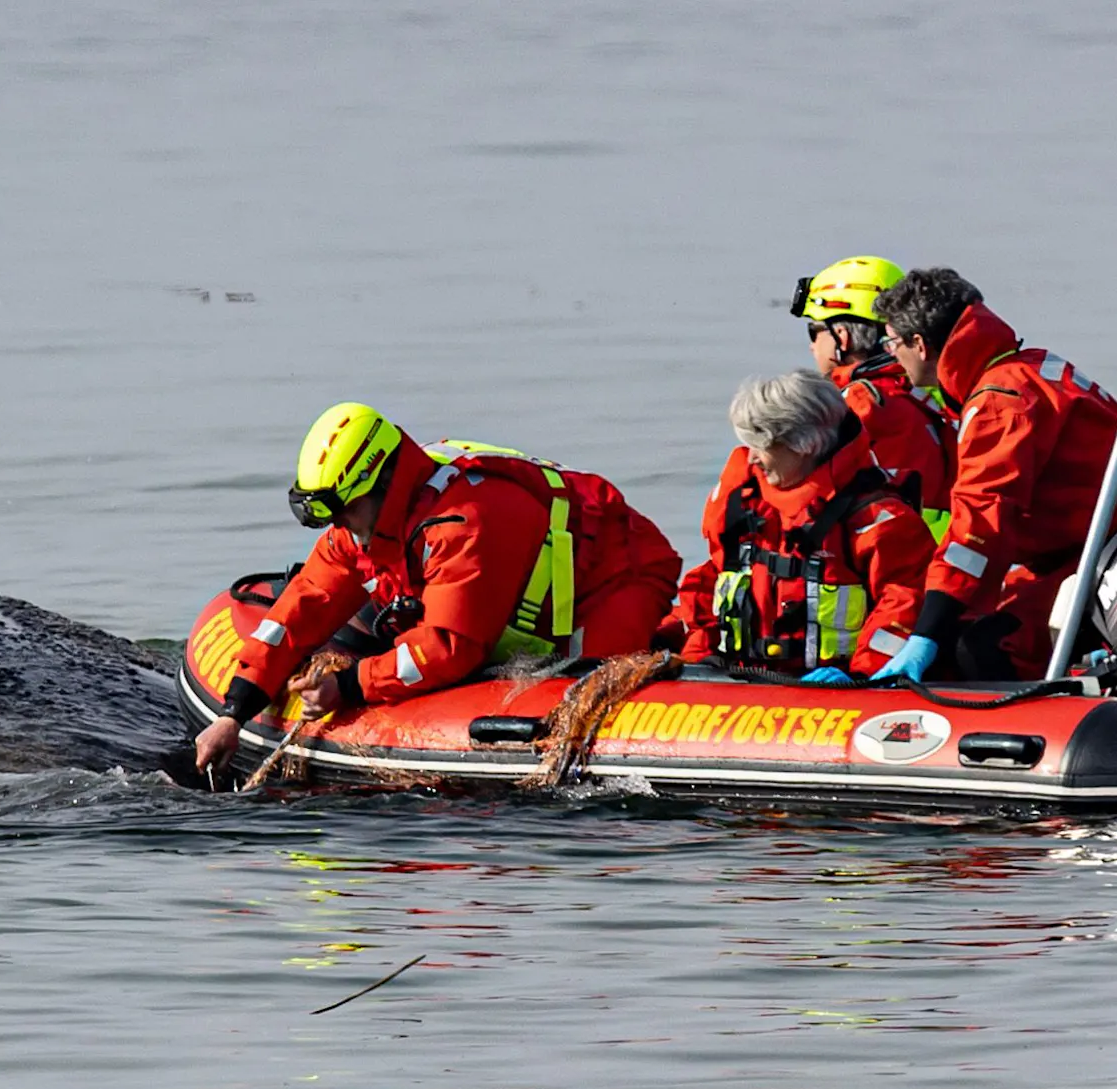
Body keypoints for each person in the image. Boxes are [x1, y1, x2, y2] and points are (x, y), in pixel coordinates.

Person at [193, 403, 681, 772]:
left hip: (613, 574)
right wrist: (234, 712)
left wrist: (348, 686)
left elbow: (449, 646)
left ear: (381, 483)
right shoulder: (360, 528)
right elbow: (298, 612)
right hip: (514, 590)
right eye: (327, 513)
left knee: (590, 685)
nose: (338, 523)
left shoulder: (461, 524)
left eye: (344, 509)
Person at [870, 269, 1117, 681]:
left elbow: (980, 524)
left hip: (1093, 558)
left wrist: (927, 633)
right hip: (1078, 552)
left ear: (920, 345)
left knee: (985, 648)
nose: (890, 355)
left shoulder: (998, 402)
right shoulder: (1029, 366)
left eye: (892, 343)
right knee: (976, 629)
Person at [659, 371, 934, 682]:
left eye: (762, 446)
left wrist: (863, 675)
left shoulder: (878, 521)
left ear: (804, 444)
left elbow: (904, 605)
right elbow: (710, 589)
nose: (753, 459)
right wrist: (694, 664)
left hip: (839, 688)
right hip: (738, 681)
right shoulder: (743, 505)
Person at [791, 255, 953, 531]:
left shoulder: (855, 405)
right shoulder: (930, 390)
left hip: (888, 549)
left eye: (814, 331)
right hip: (944, 542)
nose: (811, 346)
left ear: (842, 337)